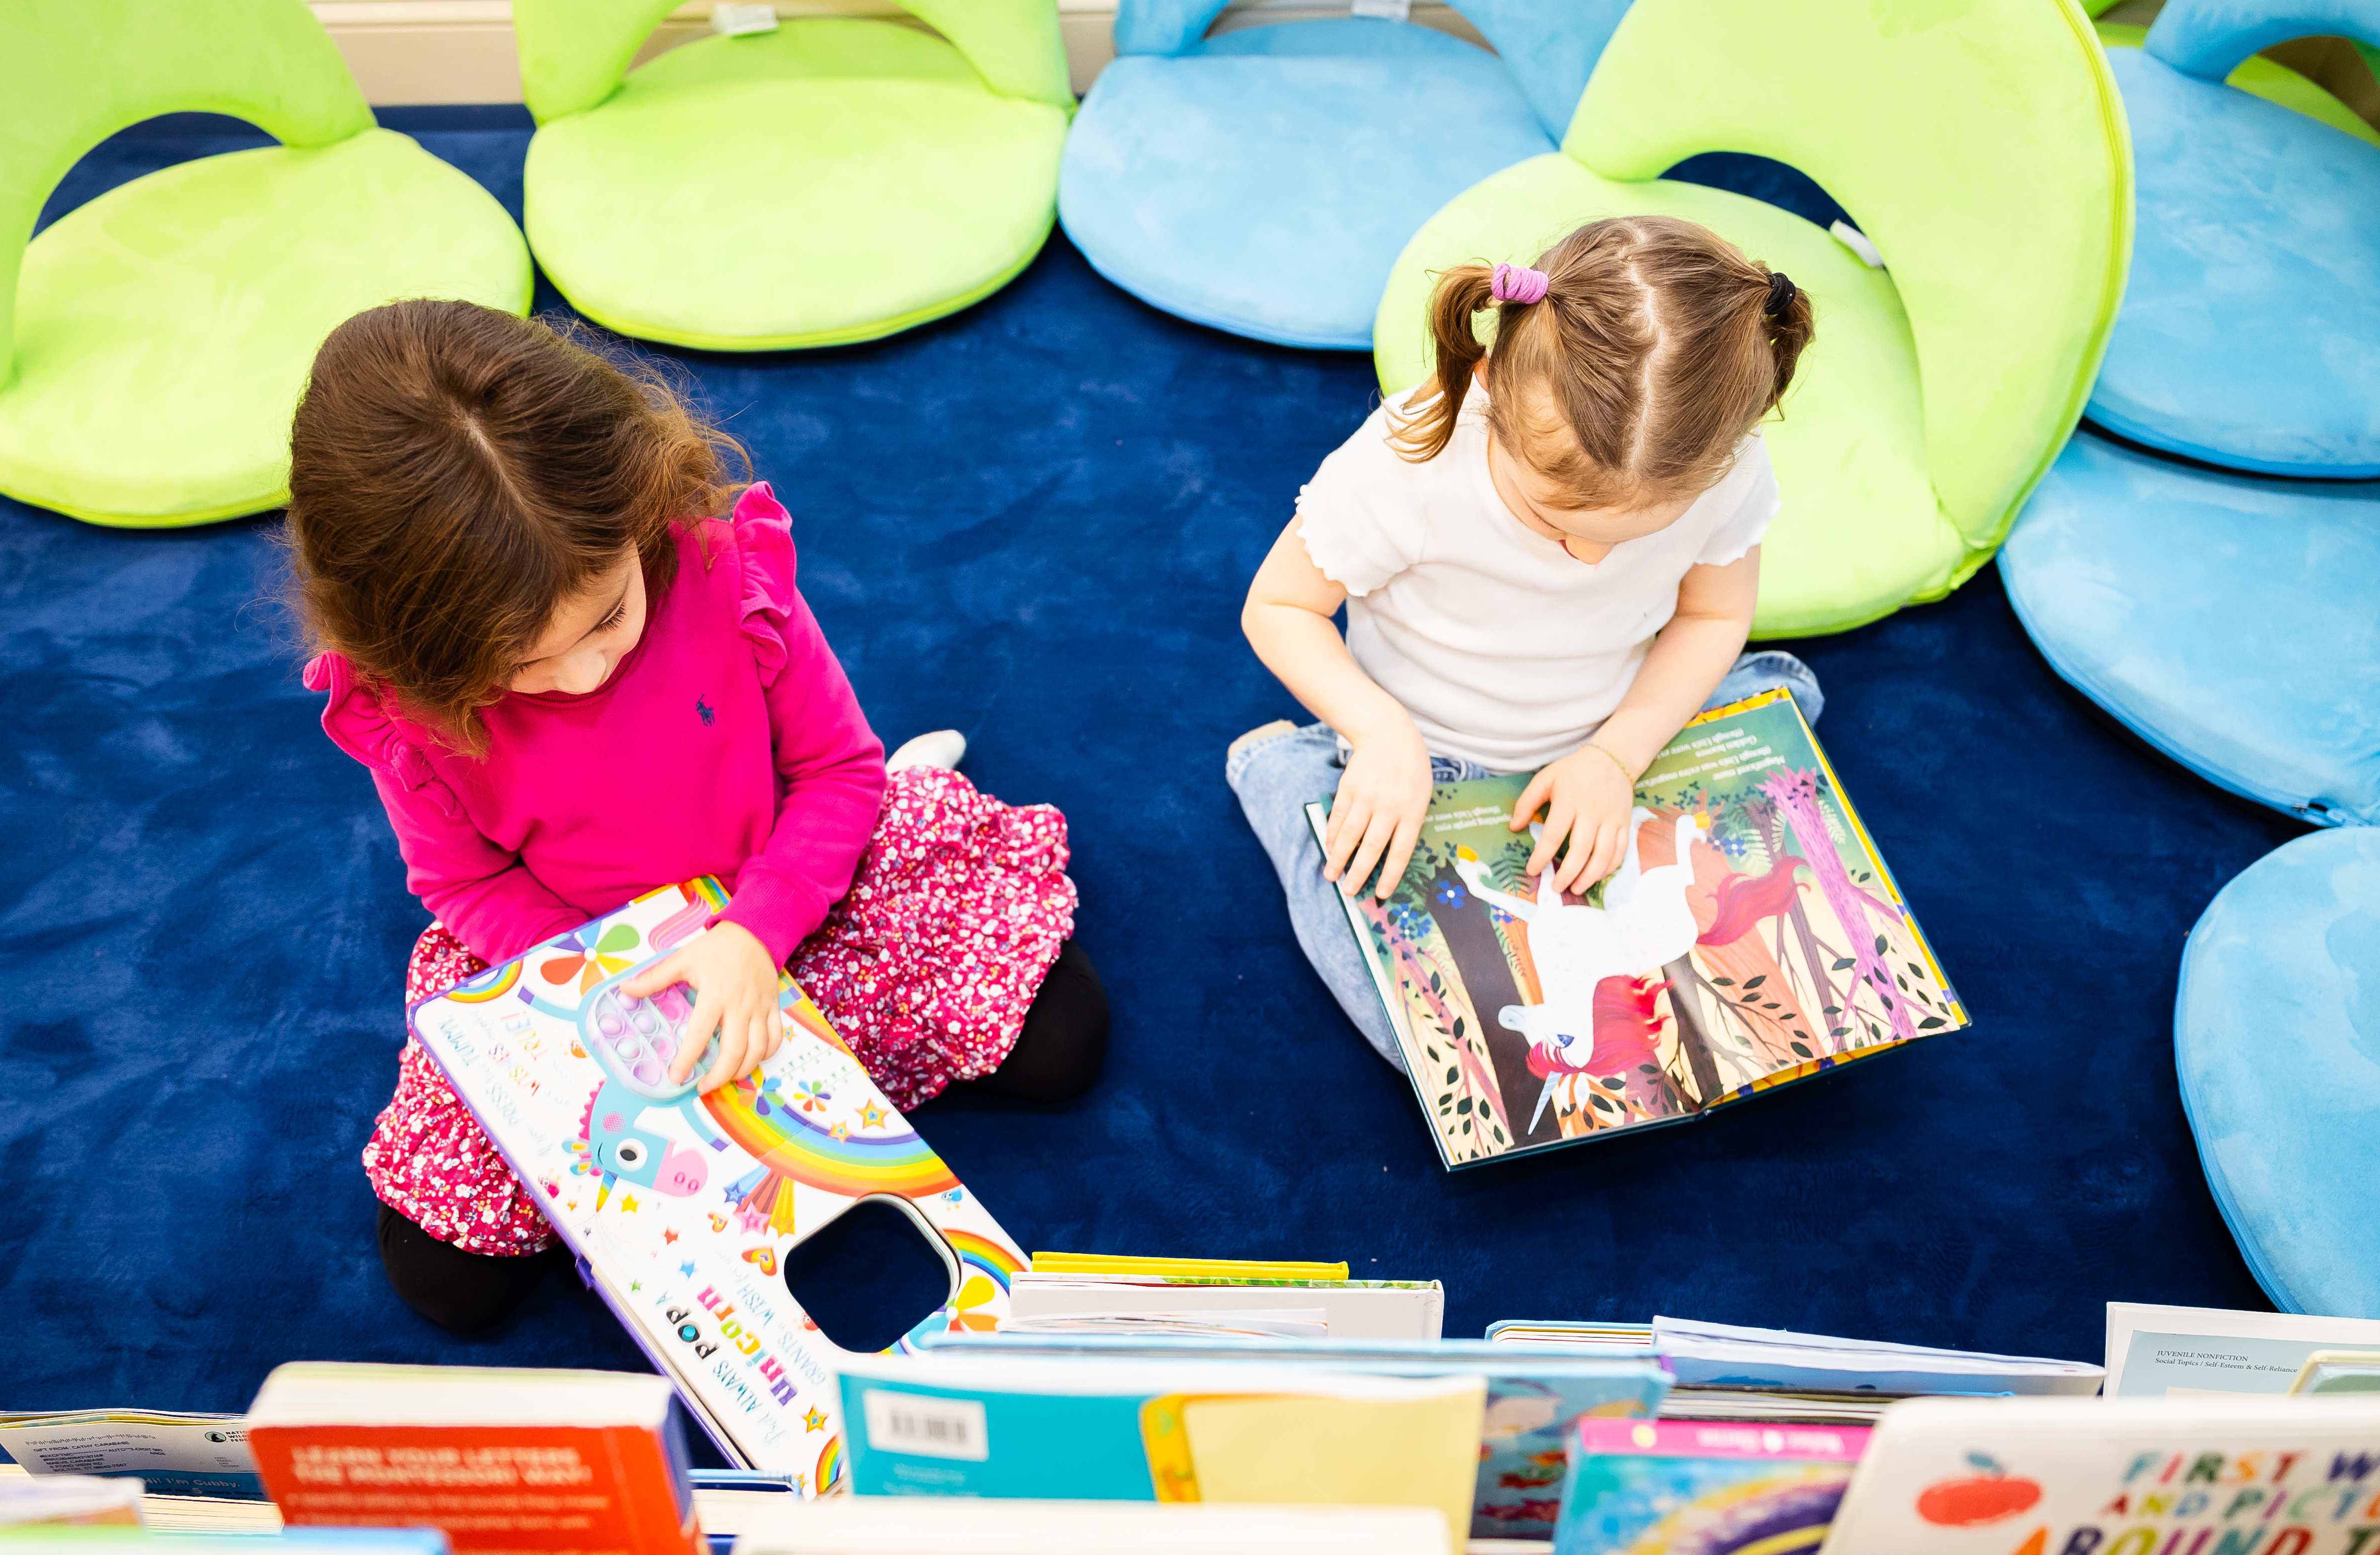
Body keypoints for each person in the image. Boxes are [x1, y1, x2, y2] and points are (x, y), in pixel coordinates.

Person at [287, 301, 1108, 1333]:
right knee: (448, 1280)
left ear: (636, 507)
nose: (585, 673)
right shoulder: (408, 701)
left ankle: (906, 833)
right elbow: (464, 884)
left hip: (790, 898)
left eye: (608, 619)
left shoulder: (721, 570)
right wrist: (605, 980)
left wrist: (753, 937)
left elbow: (839, 774)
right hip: (586, 964)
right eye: (520, 667)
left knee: (1067, 1041)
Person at [1231, 215, 1823, 1067]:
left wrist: (1615, 757)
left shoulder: (1725, 463)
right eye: (1556, 522)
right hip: (1426, 761)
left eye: (1630, 536)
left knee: (1787, 698)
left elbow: (1711, 618)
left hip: (1611, 734)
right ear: (1488, 386)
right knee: (1431, 1038)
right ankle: (1284, 774)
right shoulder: (1408, 461)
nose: (1588, 559)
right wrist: (1379, 732)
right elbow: (1278, 608)